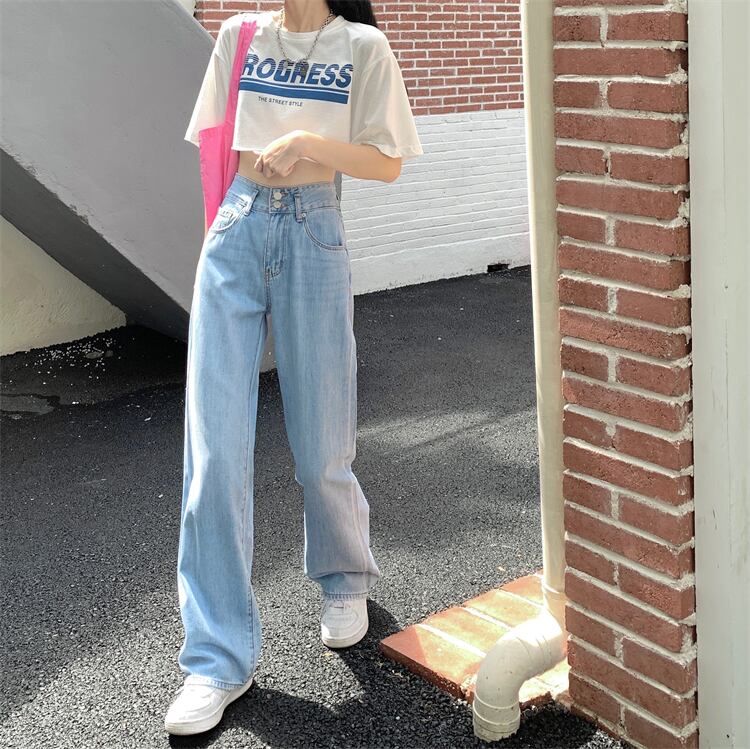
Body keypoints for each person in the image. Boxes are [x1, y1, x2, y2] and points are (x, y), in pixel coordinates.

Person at [165, 0, 424, 736]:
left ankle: (344, 577)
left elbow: (387, 162)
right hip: (238, 226)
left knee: (321, 443)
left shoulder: (362, 46)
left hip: (315, 229)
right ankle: (217, 658)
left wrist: (310, 142)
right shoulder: (239, 35)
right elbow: (214, 145)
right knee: (213, 454)